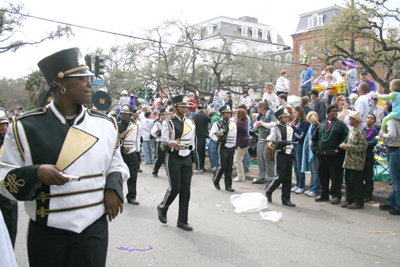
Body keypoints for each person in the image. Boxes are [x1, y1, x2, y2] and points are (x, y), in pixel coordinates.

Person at [0, 48, 129, 266]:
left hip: (94, 227)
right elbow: (3, 176)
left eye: (90, 78)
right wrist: (36, 173)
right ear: (61, 84)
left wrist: (113, 185)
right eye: (82, 78)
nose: (90, 83)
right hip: (47, 232)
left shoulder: (106, 124)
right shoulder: (24, 127)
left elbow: (115, 162)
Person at [157, 95, 196, 231]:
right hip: (173, 157)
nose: (185, 109)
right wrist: (170, 143)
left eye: (186, 106)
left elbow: (193, 145)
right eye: (182, 106)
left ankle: (182, 220)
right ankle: (163, 207)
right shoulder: (168, 122)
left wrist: (193, 163)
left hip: (186, 158)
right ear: (176, 107)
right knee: (175, 187)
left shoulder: (191, 122)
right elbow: (163, 144)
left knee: (186, 190)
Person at [311, 105, 349, 205]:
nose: (335, 113)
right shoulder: (322, 125)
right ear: (327, 113)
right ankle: (324, 194)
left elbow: (345, 138)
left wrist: (337, 149)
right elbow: (314, 138)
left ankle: (336, 195)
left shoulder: (341, 125)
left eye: (336, 111)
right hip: (322, 156)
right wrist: (316, 150)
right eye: (333, 111)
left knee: (336, 177)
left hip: (335, 157)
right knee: (323, 176)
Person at [265, 107, 296, 207]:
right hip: (279, 153)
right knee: (280, 176)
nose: (287, 118)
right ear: (279, 118)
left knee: (288, 178)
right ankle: (269, 190)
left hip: (288, 153)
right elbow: (270, 143)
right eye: (284, 117)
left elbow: (291, 142)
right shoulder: (275, 128)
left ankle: (286, 199)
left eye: (287, 116)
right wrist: (279, 144)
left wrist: (292, 151)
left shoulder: (290, 128)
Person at [340, 111, 367, 209]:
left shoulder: (360, 132)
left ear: (356, 120)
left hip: (357, 162)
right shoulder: (351, 131)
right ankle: (349, 199)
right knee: (348, 181)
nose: (349, 120)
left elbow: (363, 147)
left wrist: (348, 147)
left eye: (351, 119)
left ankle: (358, 201)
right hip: (349, 161)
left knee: (356, 182)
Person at [0, 109, 18, 248]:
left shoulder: (11, 139)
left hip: (6, 188)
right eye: (0, 124)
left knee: (10, 224)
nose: (4, 126)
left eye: (5, 123)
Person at [210, 105, 237, 192]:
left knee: (229, 167)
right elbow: (212, 134)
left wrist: (234, 144)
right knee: (223, 166)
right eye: (226, 113)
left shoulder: (233, 123)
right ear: (222, 114)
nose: (229, 114)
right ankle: (216, 179)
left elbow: (235, 135)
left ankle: (228, 185)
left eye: (229, 112)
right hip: (223, 146)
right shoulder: (217, 123)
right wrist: (218, 140)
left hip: (231, 147)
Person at [118, 105, 141, 205]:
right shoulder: (116, 125)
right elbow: (113, 141)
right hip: (120, 154)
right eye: (123, 113)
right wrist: (122, 149)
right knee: (119, 176)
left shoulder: (135, 126)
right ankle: (118, 196)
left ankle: (131, 196)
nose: (124, 115)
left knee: (133, 176)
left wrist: (138, 156)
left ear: (131, 115)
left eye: (127, 114)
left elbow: (137, 141)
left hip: (132, 154)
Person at [378, 119, 400, 215]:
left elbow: (392, 135)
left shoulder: (391, 121)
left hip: (395, 149)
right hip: (395, 149)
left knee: (396, 180)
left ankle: (398, 206)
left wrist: (383, 135)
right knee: (396, 180)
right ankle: (391, 202)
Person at [252, 101, 277, 184]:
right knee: (260, 160)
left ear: (263, 107)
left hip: (268, 141)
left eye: (258, 107)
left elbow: (274, 124)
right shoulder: (260, 116)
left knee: (268, 160)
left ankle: (270, 178)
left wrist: (263, 124)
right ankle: (261, 177)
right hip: (260, 140)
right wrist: (257, 123)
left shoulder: (271, 114)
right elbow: (254, 126)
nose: (257, 108)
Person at [290, 106, 310, 194]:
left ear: (299, 112)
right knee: (295, 166)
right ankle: (297, 184)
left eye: (295, 112)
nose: (293, 114)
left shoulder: (304, 123)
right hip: (293, 145)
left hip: (299, 145)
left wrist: (293, 128)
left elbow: (300, 136)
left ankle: (301, 185)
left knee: (299, 166)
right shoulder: (296, 121)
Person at [302, 111, 320, 197]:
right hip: (312, 152)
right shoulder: (313, 126)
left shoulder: (314, 127)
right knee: (314, 171)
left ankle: (315, 189)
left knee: (315, 171)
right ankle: (312, 187)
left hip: (313, 152)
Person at [362, 114, 379, 202]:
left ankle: (368, 195)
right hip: (361, 156)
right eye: (368, 118)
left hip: (369, 156)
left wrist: (364, 145)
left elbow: (374, 141)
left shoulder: (375, 131)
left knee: (368, 177)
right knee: (360, 176)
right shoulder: (362, 130)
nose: (369, 119)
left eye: (371, 118)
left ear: (374, 121)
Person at [233, 109, 251, 182]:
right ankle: (241, 175)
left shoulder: (238, 123)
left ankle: (240, 176)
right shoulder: (244, 122)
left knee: (237, 160)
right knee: (240, 159)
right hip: (246, 142)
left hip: (241, 142)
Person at [151, 108, 170, 177]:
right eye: (165, 114)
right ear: (161, 115)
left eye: (168, 114)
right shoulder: (158, 123)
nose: (166, 116)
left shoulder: (170, 122)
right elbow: (153, 132)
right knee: (160, 158)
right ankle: (155, 171)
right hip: (161, 141)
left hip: (169, 142)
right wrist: (158, 133)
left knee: (169, 158)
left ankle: (169, 173)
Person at [193, 105, 210, 173]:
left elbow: (193, 124)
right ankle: (202, 167)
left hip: (198, 134)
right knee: (202, 151)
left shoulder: (196, 116)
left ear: (197, 109)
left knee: (197, 151)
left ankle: (198, 167)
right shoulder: (206, 116)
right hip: (204, 135)